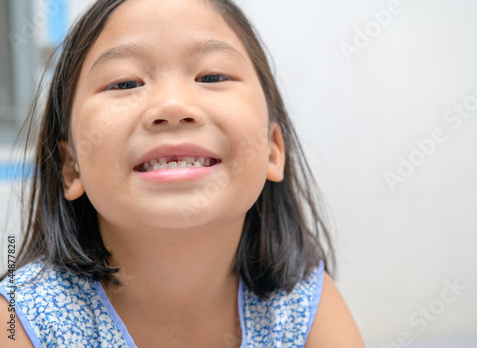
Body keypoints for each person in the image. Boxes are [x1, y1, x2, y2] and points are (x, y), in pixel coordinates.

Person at [0, 0, 365, 346]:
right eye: (126, 83)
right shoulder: (22, 320)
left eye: (212, 76)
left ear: (272, 150)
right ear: (70, 167)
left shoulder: (302, 307)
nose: (172, 106)